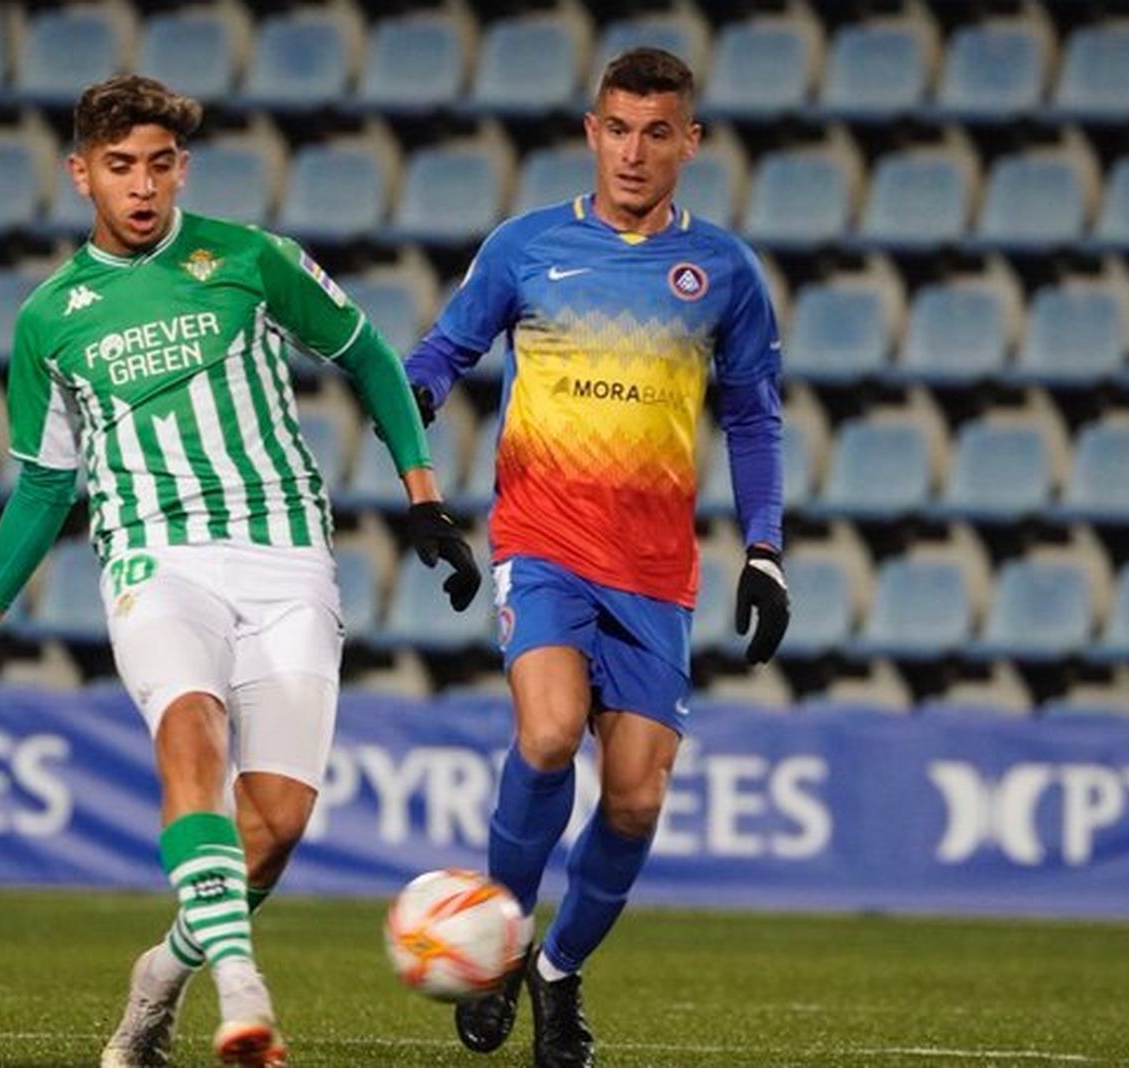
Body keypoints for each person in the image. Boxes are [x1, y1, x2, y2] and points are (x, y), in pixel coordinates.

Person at [0, 74, 481, 1068]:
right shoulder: (50, 318)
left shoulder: (249, 258)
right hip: (155, 555)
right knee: (189, 730)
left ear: (182, 169)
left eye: (159, 165)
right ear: (80, 174)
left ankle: (160, 978)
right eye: (120, 166)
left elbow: (373, 359)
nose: (142, 185)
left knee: (276, 826)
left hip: (287, 552)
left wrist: (423, 496)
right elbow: (46, 485)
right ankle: (244, 993)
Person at [404, 48, 789, 1068]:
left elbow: (754, 418)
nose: (633, 151)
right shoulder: (526, 246)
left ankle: (557, 969)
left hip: (655, 568)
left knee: (634, 798)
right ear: (591, 131)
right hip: (542, 540)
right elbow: (442, 353)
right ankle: (496, 939)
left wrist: (765, 550)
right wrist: (415, 414)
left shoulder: (724, 272)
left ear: (689, 142)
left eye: (656, 133)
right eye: (617, 129)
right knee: (546, 733)